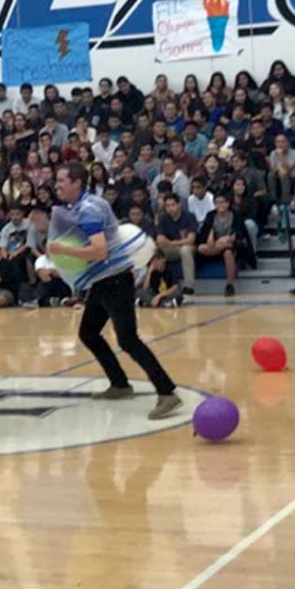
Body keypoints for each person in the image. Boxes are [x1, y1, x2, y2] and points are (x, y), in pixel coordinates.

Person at [48, 162, 182, 419]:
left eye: (62, 180)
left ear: (77, 182)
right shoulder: (85, 206)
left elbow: (100, 251)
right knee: (88, 332)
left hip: (114, 280)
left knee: (128, 339)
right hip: (103, 281)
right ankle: (120, 384)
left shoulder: (88, 210)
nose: (58, 185)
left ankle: (167, 393)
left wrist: (62, 250)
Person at [197, 193, 247, 297]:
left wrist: (227, 239)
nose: (220, 205)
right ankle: (218, 249)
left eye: (222, 202)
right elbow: (204, 236)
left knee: (228, 251)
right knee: (201, 248)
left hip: (231, 246)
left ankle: (229, 285)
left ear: (228, 204)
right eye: (217, 203)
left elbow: (238, 234)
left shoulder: (235, 215)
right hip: (214, 245)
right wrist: (214, 240)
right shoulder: (211, 216)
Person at [155, 193, 197, 296]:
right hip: (171, 249)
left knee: (185, 250)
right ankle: (153, 285)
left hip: (189, 248)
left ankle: (189, 286)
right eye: (167, 206)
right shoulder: (163, 218)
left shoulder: (189, 216)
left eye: (173, 205)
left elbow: (191, 240)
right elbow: (160, 239)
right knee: (154, 251)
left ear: (179, 205)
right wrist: (162, 241)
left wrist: (171, 243)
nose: (170, 208)